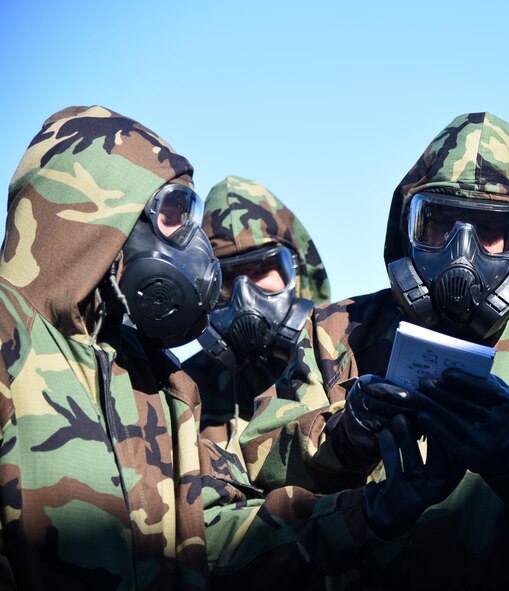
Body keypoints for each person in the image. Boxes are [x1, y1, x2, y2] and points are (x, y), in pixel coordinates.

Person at [0, 105, 462, 589]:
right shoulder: (13, 339)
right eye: (172, 216)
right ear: (101, 215)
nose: (188, 245)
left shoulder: (154, 380)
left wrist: (374, 511)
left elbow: (206, 542)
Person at [240, 112, 509, 589]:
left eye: (490, 230)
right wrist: (346, 434)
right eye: (440, 222)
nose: (461, 251)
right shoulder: (336, 331)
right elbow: (252, 461)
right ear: (407, 226)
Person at [182, 175, 330, 450]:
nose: (244, 295)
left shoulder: (337, 360)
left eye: (261, 270)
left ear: (297, 274)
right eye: (226, 277)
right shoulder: (186, 390)